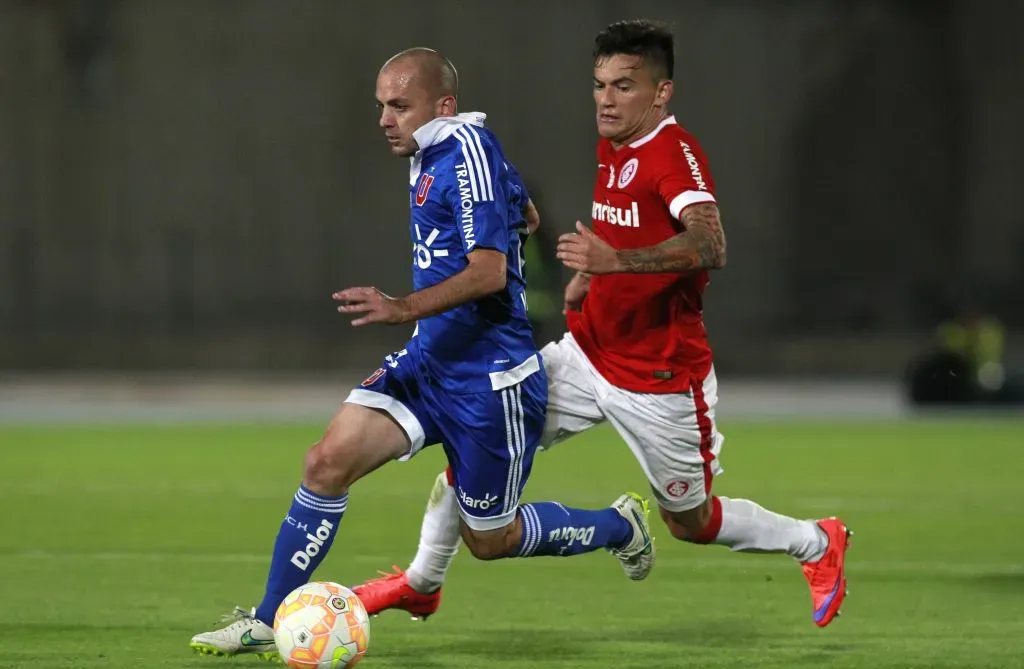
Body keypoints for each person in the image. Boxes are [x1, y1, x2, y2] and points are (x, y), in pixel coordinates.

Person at [351, 22, 852, 629]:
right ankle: (421, 584)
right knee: (476, 453)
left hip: (659, 377)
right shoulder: (613, 145)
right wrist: (593, 276)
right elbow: (623, 219)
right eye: (599, 85)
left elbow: (709, 242)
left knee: (690, 522)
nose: (606, 100)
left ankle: (816, 542)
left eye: (623, 87)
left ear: (661, 93)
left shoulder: (673, 152)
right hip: (587, 355)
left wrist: (619, 262)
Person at [188, 47, 655, 660]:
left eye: (400, 106)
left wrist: (401, 306)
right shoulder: (438, 152)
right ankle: (268, 618)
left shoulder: (467, 155)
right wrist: (511, 219)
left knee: (490, 538)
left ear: (443, 106)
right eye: (381, 105)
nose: (385, 119)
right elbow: (529, 213)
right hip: (430, 364)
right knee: (326, 462)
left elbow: (488, 274)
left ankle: (621, 525)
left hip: (492, 383)